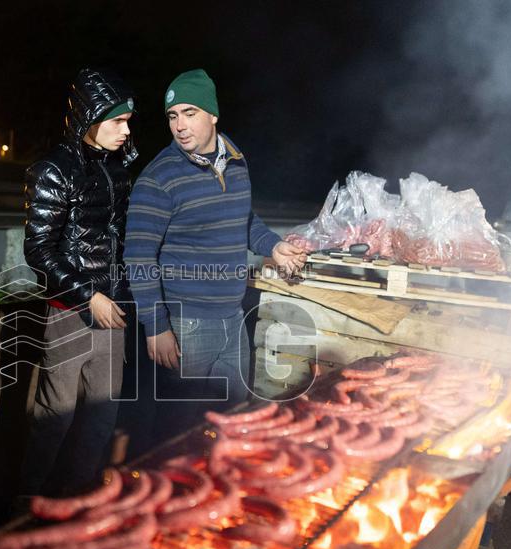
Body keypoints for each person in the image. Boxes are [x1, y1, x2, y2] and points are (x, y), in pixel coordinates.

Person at [124, 69, 305, 444]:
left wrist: (272, 245)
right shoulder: (159, 178)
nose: (179, 125)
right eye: (172, 116)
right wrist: (156, 326)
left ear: (212, 115)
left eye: (189, 113)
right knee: (176, 437)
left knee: (232, 425)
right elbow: (138, 257)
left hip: (233, 318)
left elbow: (244, 218)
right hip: (186, 325)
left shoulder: (236, 160)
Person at [19, 67, 136, 498]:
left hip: (113, 314)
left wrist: (125, 292)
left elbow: (119, 237)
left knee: (102, 417)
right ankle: (26, 502)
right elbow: (39, 251)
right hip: (70, 314)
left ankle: (78, 498)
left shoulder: (117, 169)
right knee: (56, 417)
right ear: (91, 117)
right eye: (117, 121)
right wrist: (89, 295)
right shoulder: (53, 170)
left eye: (128, 122)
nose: (126, 130)